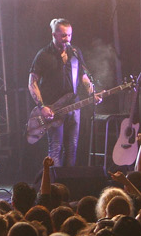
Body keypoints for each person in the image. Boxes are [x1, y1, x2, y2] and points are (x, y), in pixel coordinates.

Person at [29, 18, 99, 167]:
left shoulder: (75, 52)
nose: (67, 39)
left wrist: (92, 93)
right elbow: (32, 82)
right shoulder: (43, 55)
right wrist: (42, 107)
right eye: (64, 36)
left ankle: (68, 184)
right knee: (55, 148)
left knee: (72, 147)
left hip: (74, 105)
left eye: (70, 35)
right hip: (53, 108)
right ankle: (54, 186)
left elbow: (83, 76)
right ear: (54, 35)